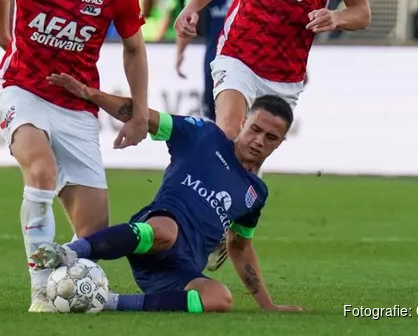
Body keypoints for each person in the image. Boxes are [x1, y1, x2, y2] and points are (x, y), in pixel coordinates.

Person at [173, 0, 371, 270]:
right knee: (228, 132)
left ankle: (233, 227)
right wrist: (191, 8)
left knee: (251, 157)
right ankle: (203, 226)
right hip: (238, 53)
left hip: (285, 74)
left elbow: (362, 13)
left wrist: (334, 16)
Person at [0, 0, 150, 311]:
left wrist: (139, 114)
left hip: (76, 108)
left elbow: (134, 49)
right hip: (22, 87)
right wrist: (0, 29)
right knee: (40, 171)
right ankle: (41, 289)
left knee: (93, 236)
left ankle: (74, 291)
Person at [30, 72, 303, 314]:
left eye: (271, 137)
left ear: (281, 142)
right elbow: (143, 116)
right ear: (243, 121)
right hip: (154, 232)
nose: (258, 141)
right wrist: (91, 94)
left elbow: (240, 248)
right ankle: (69, 252)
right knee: (166, 231)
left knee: (219, 299)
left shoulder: (256, 193)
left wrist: (268, 305)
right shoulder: (204, 135)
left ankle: (109, 302)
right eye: (255, 129)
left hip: (178, 269)